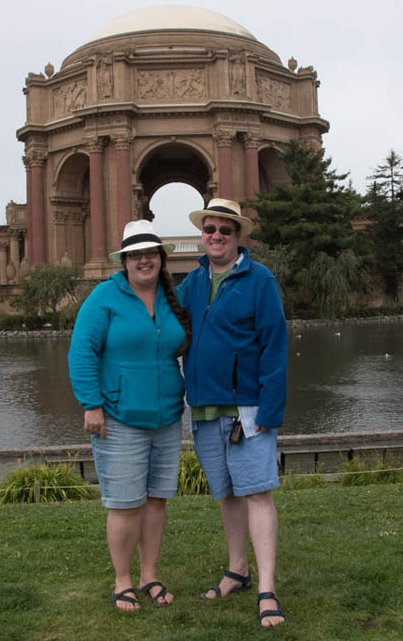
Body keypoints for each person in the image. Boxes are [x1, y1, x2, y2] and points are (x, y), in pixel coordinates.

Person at [67, 219, 191, 613]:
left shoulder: (172, 299)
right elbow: (81, 351)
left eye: (150, 254)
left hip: (167, 416)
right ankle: (122, 580)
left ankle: (149, 576)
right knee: (124, 503)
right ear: (124, 261)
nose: (143, 261)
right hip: (119, 417)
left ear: (160, 259)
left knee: (156, 501)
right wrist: (91, 403)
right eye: (135, 255)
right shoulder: (105, 298)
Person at [178, 197, 288, 628]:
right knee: (226, 495)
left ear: (237, 236)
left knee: (257, 493)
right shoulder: (192, 282)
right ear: (202, 235)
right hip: (205, 407)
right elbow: (165, 313)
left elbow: (275, 346)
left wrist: (271, 407)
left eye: (225, 229)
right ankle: (237, 571)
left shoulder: (259, 280)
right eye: (210, 229)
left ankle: (267, 589)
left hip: (248, 408)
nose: (217, 236)